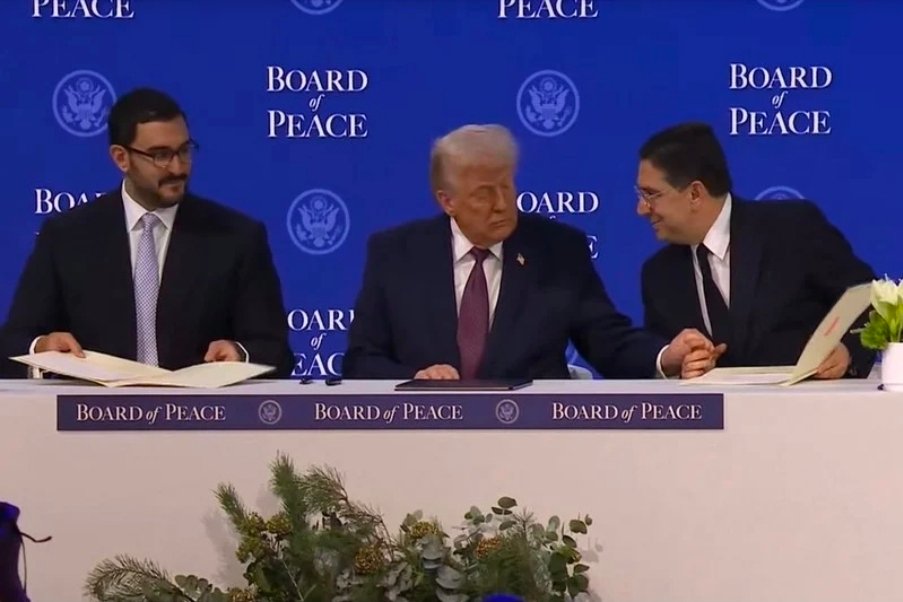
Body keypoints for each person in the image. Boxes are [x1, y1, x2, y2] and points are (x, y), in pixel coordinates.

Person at [343, 124, 714, 380]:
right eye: (484, 194)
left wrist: (665, 357)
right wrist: (415, 378)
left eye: (506, 187)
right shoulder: (396, 255)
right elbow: (361, 360)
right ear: (447, 201)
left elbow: (606, 340)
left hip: (531, 442)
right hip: (423, 440)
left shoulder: (558, 251)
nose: (502, 204)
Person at [0, 87, 295, 378]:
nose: (178, 168)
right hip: (95, 408)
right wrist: (42, 348)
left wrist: (239, 354)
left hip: (200, 408)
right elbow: (13, 343)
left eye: (184, 151)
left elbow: (276, 351)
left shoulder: (235, 237)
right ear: (121, 158)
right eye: (161, 155)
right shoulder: (67, 236)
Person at [636, 122, 876, 379]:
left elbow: (869, 299)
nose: (641, 209)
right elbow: (668, 364)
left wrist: (847, 351)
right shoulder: (659, 275)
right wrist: (685, 368)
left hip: (809, 400)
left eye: (651, 195)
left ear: (695, 193)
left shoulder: (793, 230)